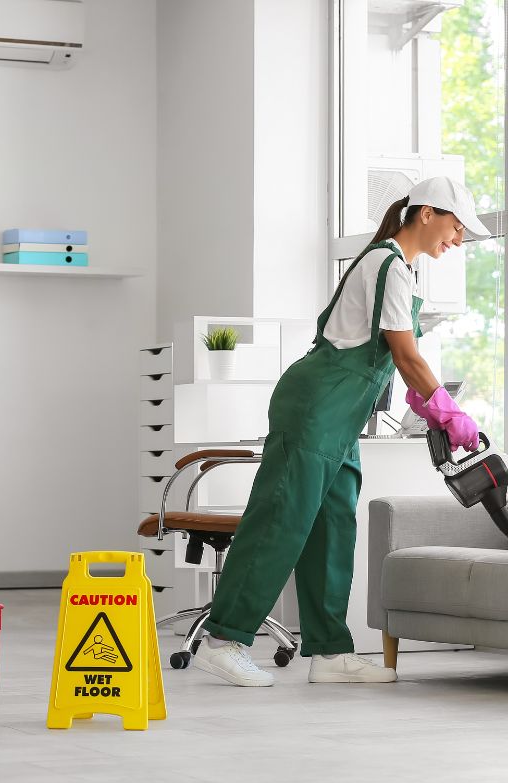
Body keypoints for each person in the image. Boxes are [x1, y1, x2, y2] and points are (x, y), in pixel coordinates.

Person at [194, 176, 488, 687]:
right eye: (456, 227)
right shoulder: (387, 263)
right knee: (282, 517)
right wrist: (445, 408)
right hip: (316, 405)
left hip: (343, 414)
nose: (459, 240)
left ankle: (329, 653)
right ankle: (224, 640)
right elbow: (403, 353)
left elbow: (397, 358)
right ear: (426, 213)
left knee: (333, 527)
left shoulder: (405, 270)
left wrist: (427, 402)